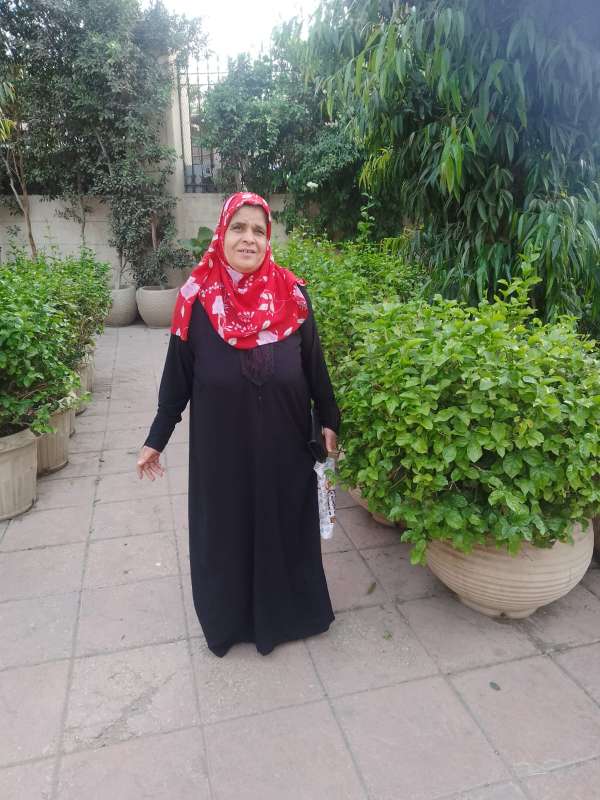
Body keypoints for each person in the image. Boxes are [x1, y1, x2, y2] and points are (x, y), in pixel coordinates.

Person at [137, 192, 340, 658]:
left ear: (268, 239)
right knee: (227, 533)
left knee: (284, 526)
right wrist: (156, 439)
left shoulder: (293, 295)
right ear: (221, 234)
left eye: (258, 230)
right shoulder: (195, 300)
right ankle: (230, 620)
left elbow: (314, 365)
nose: (249, 238)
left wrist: (330, 419)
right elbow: (176, 381)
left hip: (286, 447)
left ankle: (290, 615)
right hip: (222, 453)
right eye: (239, 228)